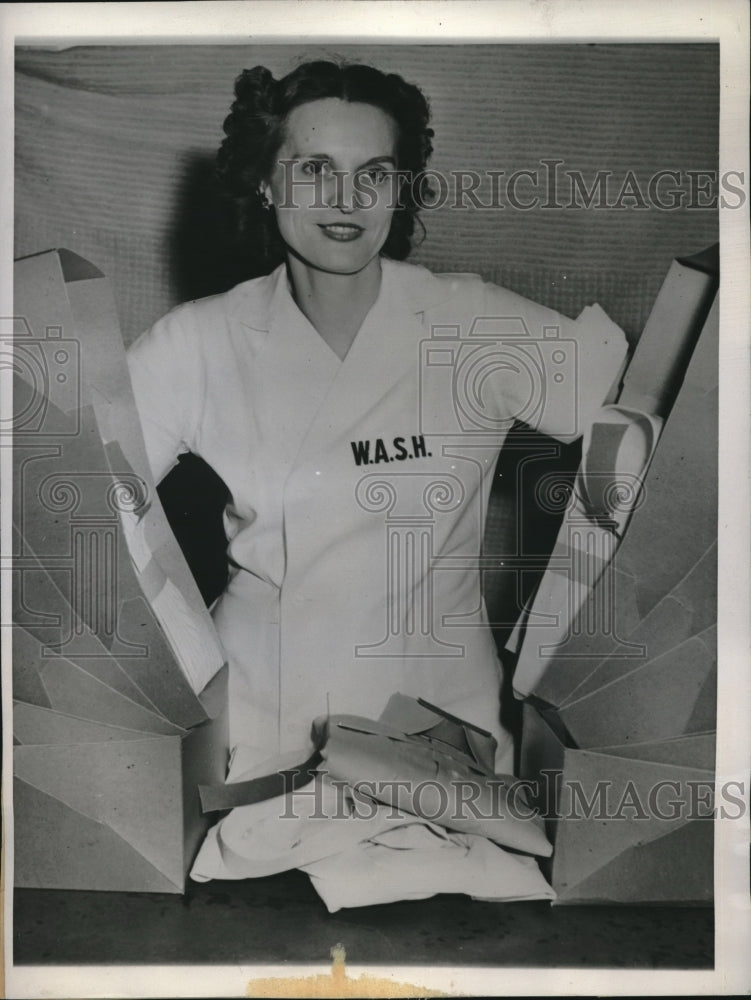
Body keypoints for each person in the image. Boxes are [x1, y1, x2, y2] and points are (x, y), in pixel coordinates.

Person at [127, 60, 625, 775]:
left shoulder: (471, 320)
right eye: (314, 169)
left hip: (438, 728)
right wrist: (177, 656)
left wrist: (559, 647)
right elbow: (78, 504)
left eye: (374, 174)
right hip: (258, 722)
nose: (347, 198)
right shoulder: (195, 341)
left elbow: (654, 439)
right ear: (265, 181)